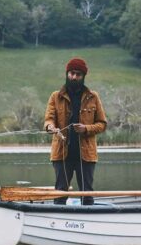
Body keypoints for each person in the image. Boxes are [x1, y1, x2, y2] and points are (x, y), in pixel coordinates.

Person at [44, 57, 107, 205]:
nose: (74, 77)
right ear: (67, 74)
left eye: (78, 74)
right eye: (71, 73)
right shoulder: (55, 96)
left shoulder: (93, 97)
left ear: (83, 76)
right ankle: (57, 217)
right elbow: (48, 120)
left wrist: (86, 129)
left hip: (86, 155)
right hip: (61, 154)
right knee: (60, 193)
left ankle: (88, 217)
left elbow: (102, 124)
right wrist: (51, 128)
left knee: (87, 194)